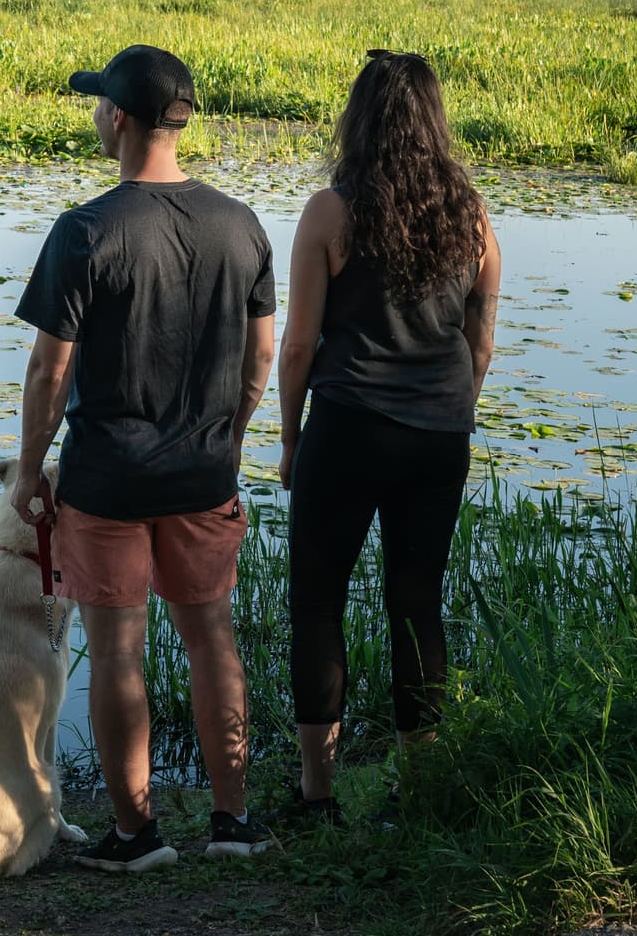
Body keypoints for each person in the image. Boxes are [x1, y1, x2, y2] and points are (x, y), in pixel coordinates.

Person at [11, 43, 278, 871]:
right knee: (212, 640)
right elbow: (261, 353)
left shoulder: (85, 229)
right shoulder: (242, 223)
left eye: (100, 104)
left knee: (119, 651)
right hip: (204, 472)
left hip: (106, 479)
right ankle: (233, 822)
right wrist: (229, 435)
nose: (96, 115)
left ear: (119, 117)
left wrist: (29, 468)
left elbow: (50, 368)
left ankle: (136, 834)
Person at [275, 50, 502, 825]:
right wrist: (451, 407)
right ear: (436, 123)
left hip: (349, 427)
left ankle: (317, 797)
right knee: (416, 603)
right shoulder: (472, 215)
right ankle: (421, 789)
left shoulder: (330, 213)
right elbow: (481, 339)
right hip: (441, 433)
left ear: (357, 121)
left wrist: (287, 439)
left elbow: (298, 345)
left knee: (317, 601)